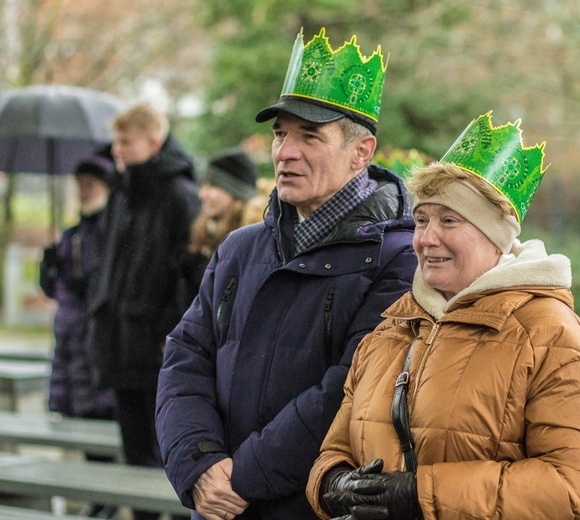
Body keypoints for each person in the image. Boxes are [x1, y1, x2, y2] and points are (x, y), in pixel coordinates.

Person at [156, 27, 417, 520]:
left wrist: (239, 478)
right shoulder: (239, 247)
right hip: (214, 504)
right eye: (280, 135)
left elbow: (348, 389)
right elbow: (184, 356)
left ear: (361, 152)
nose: (284, 152)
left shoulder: (398, 260)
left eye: (309, 136)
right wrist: (198, 463)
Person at [306, 111, 580, 520]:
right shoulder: (390, 331)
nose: (427, 239)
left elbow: (567, 486)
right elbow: (335, 451)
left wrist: (421, 494)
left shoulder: (549, 334)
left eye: (449, 221)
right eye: (421, 220)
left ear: (495, 237)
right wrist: (334, 486)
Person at [86, 102, 200, 520]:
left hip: (157, 351)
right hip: (120, 345)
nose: (116, 149)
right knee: (133, 454)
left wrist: (163, 335)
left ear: (153, 141)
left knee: (164, 457)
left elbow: (187, 282)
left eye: (125, 141)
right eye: (116, 140)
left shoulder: (180, 195)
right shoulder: (123, 191)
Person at [39, 149, 118, 518]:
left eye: (91, 184)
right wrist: (49, 267)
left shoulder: (110, 231)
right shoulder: (71, 234)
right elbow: (60, 291)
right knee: (84, 427)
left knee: (105, 429)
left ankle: (108, 500)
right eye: (80, 184)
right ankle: (99, 500)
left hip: (96, 348)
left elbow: (98, 286)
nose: (84, 190)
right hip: (70, 348)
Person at [178, 147, 258, 308]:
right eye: (204, 185)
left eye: (213, 186)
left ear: (237, 194)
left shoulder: (253, 245)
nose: (203, 194)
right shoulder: (202, 236)